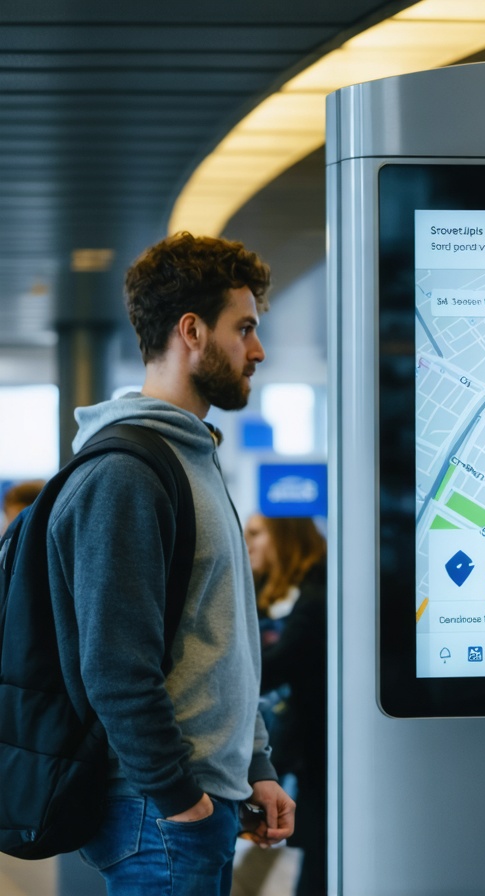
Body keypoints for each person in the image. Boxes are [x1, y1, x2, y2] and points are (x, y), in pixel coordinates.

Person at [46, 232, 294, 896]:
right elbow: (115, 666)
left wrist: (256, 766)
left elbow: (224, 640)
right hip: (158, 816)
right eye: (244, 329)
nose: (257, 350)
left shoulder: (195, 458)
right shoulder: (128, 472)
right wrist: (182, 799)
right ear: (192, 331)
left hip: (191, 808)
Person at [237, 513, 328, 896]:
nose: (247, 544)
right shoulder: (263, 595)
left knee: (317, 852)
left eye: (257, 534)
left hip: (315, 748)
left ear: (286, 537)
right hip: (285, 747)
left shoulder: (320, 595)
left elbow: (274, 667)